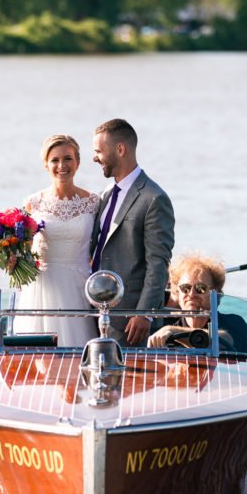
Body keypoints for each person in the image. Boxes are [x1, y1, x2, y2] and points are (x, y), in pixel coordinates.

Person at [90, 119, 175, 345]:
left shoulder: (154, 198)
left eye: (99, 151)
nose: (94, 158)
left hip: (130, 320)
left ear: (120, 149)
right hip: (95, 312)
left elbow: (158, 263)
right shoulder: (107, 193)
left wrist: (144, 313)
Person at [15, 134, 100, 348]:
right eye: (55, 160)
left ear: (78, 162)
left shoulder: (93, 202)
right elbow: (23, 250)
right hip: (43, 286)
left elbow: (99, 246)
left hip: (78, 285)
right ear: (46, 165)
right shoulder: (32, 203)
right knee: (38, 353)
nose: (62, 165)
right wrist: (11, 260)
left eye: (68, 158)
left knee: (79, 349)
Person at [147, 252, 226, 347]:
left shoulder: (233, 322)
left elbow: (225, 340)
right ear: (177, 294)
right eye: (185, 288)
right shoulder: (162, 334)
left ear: (215, 292)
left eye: (200, 288)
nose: (192, 294)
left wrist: (174, 332)